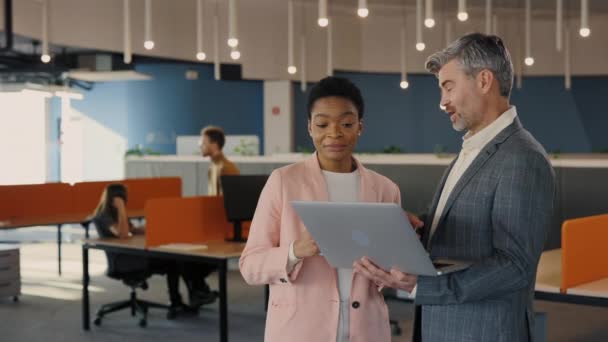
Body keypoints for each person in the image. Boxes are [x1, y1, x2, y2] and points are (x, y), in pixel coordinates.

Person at [353, 33, 556, 342]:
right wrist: (417, 229)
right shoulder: (473, 148)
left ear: (484, 80)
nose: (442, 101)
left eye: (448, 86)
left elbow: (515, 265)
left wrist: (422, 286)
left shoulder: (522, 158)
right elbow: (467, 232)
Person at [239, 76, 414, 342]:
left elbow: (391, 271)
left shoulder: (385, 189)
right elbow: (250, 265)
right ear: (310, 127)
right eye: (322, 124)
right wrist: (295, 251)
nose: (334, 133)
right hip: (300, 328)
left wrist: (401, 256)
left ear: (360, 127)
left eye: (346, 124)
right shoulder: (283, 182)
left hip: (366, 328)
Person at [91, 184, 216, 311]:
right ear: (114, 198)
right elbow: (123, 233)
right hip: (122, 260)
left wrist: (154, 225)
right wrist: (122, 208)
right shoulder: (103, 215)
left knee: (176, 259)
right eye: (123, 198)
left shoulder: (114, 214)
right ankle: (188, 295)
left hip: (131, 254)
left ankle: (192, 293)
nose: (125, 200)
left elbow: (131, 230)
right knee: (174, 260)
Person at [199, 125, 240, 196]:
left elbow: (231, 201)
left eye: (203, 142)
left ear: (214, 145)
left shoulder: (227, 168)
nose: (200, 145)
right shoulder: (212, 167)